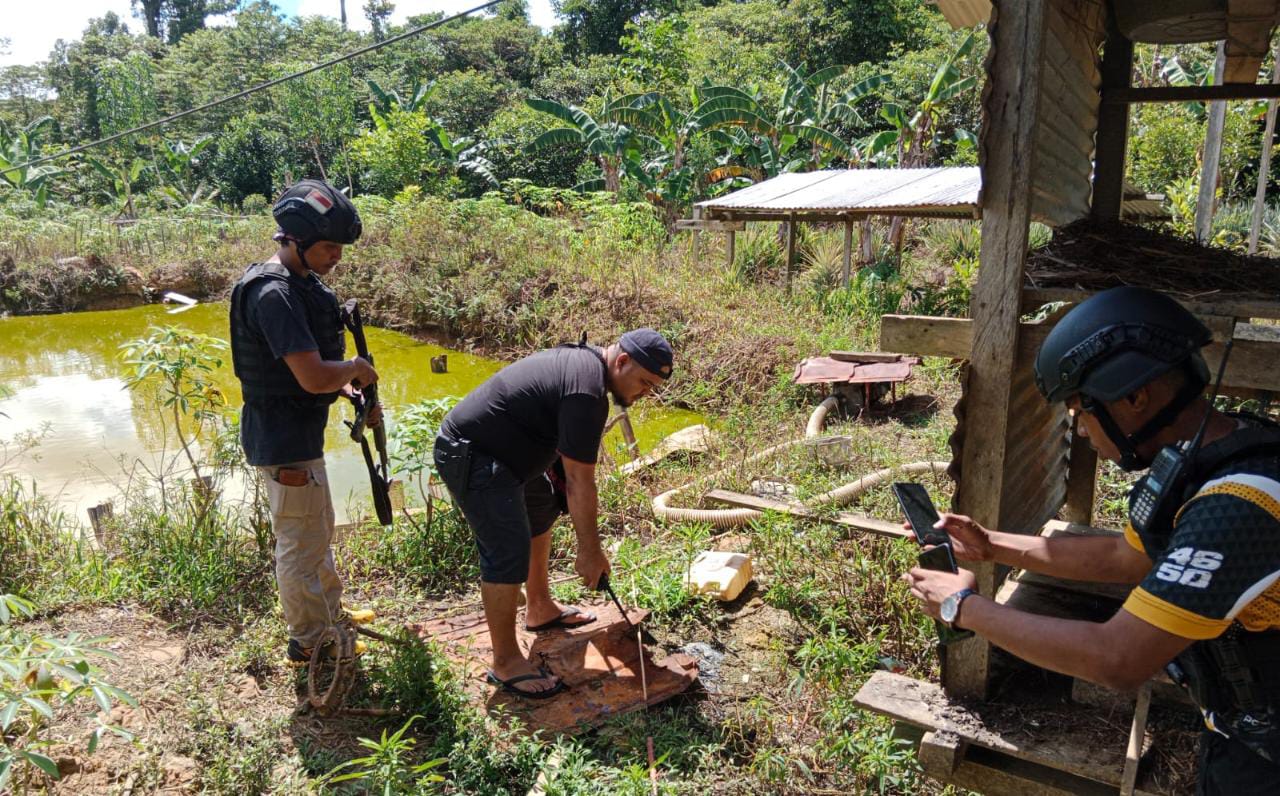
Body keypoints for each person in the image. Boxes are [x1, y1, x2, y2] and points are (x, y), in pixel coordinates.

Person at [902, 286, 1280, 794]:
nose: (1079, 431)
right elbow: (1125, 555)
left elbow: (1117, 659)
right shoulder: (1210, 456)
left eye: (1080, 410)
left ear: (1134, 397)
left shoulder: (1238, 507)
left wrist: (963, 608)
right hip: (1244, 730)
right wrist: (991, 545)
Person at [433, 329, 673, 699]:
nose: (645, 394)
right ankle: (506, 662)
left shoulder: (589, 374)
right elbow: (580, 482)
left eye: (653, 388)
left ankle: (540, 607)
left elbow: (569, 462)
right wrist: (590, 552)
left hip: (509, 458)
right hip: (473, 454)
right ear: (622, 361)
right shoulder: (587, 391)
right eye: (644, 383)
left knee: (541, 507)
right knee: (507, 549)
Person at [229, 179, 380, 667]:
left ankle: (329, 613)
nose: (337, 255)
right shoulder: (273, 294)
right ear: (295, 240)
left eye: (340, 247)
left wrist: (347, 388)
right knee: (299, 541)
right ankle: (310, 641)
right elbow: (312, 376)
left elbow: (309, 376)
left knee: (317, 529)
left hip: (297, 433)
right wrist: (353, 369)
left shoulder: (301, 283)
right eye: (329, 246)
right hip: (282, 439)